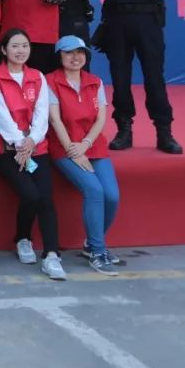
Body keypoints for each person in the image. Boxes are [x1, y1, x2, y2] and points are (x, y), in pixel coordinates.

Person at [88, 0, 181, 154]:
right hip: (117, 23)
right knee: (120, 79)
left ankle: (164, 132)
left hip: (147, 22)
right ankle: (124, 130)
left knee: (154, 78)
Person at [0, 28, 66, 281]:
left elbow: (42, 114)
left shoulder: (37, 76)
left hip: (36, 146)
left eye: (24, 46)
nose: (20, 51)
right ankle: (22, 237)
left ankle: (52, 255)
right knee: (30, 194)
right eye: (15, 46)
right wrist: (20, 143)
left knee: (46, 199)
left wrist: (32, 141)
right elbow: (0, 116)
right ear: (3, 50)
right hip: (6, 149)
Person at [46, 35, 122, 276]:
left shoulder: (95, 81)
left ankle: (91, 244)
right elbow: (55, 119)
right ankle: (98, 252)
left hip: (93, 145)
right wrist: (73, 149)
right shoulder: (50, 81)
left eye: (80, 52)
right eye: (69, 53)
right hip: (64, 147)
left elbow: (101, 118)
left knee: (112, 196)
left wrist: (86, 144)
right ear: (59, 56)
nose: (75, 57)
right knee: (94, 190)